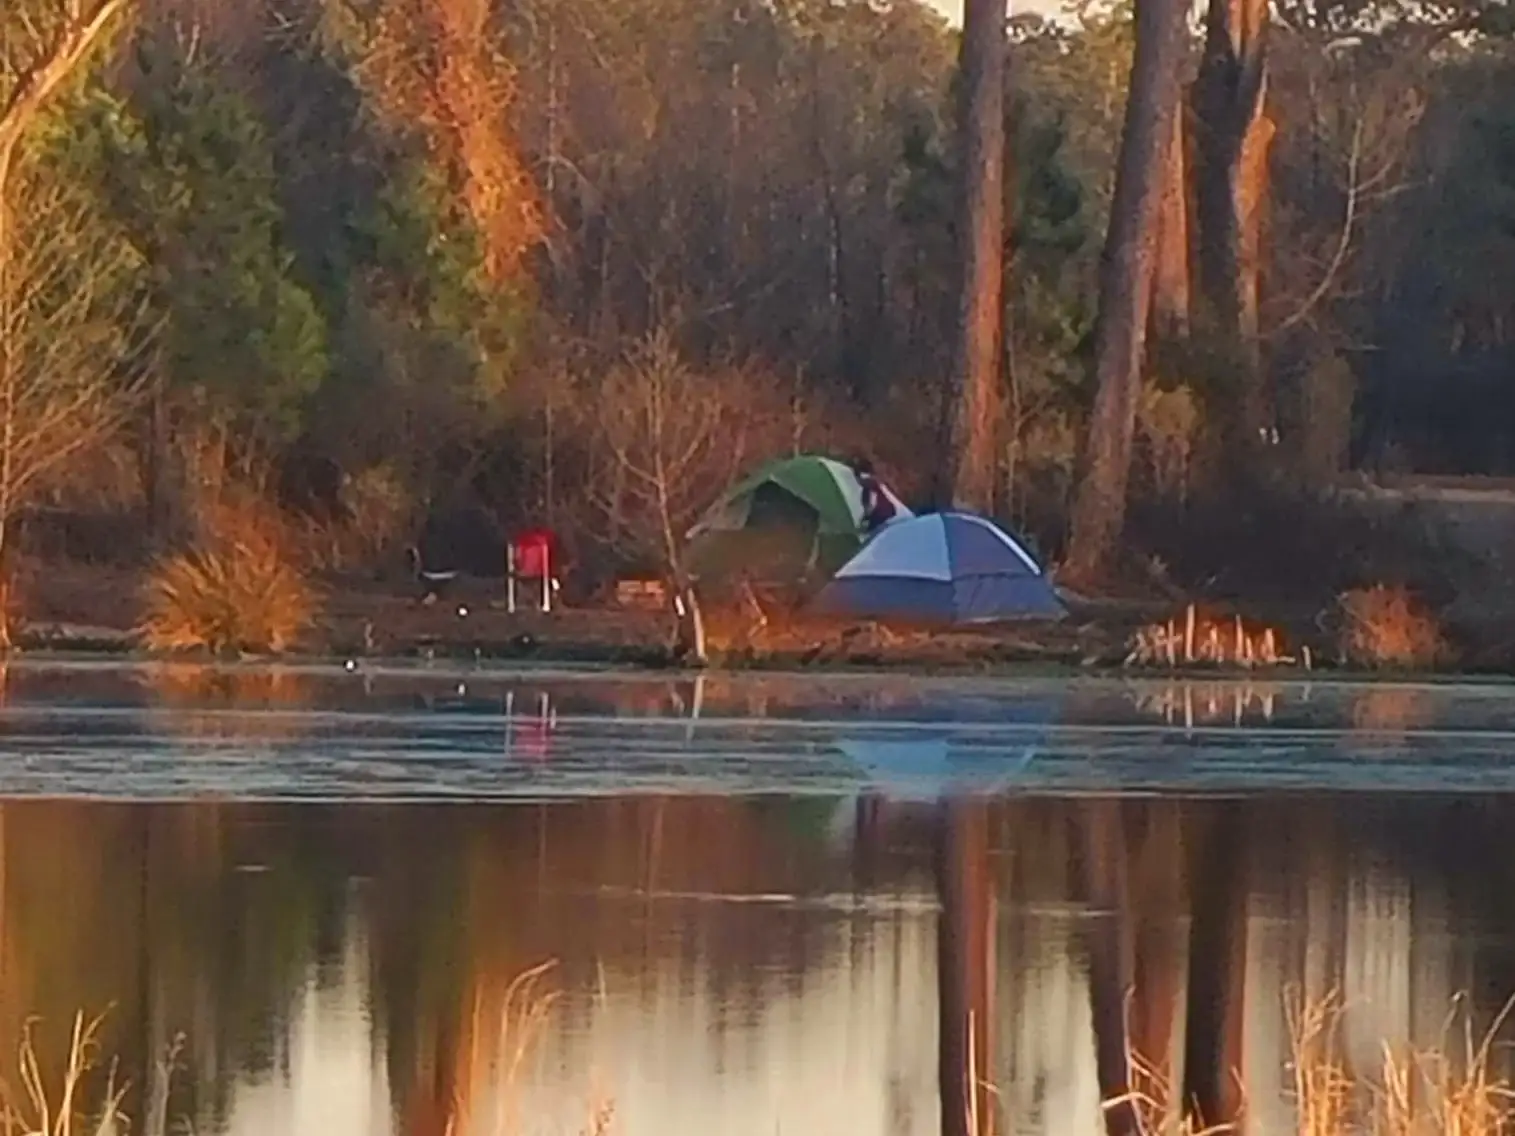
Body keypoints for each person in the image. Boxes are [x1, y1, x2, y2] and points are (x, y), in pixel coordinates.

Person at [853, 457, 896, 534]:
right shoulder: (880, 482)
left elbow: (870, 506)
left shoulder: (873, 483)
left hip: (883, 514)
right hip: (888, 513)